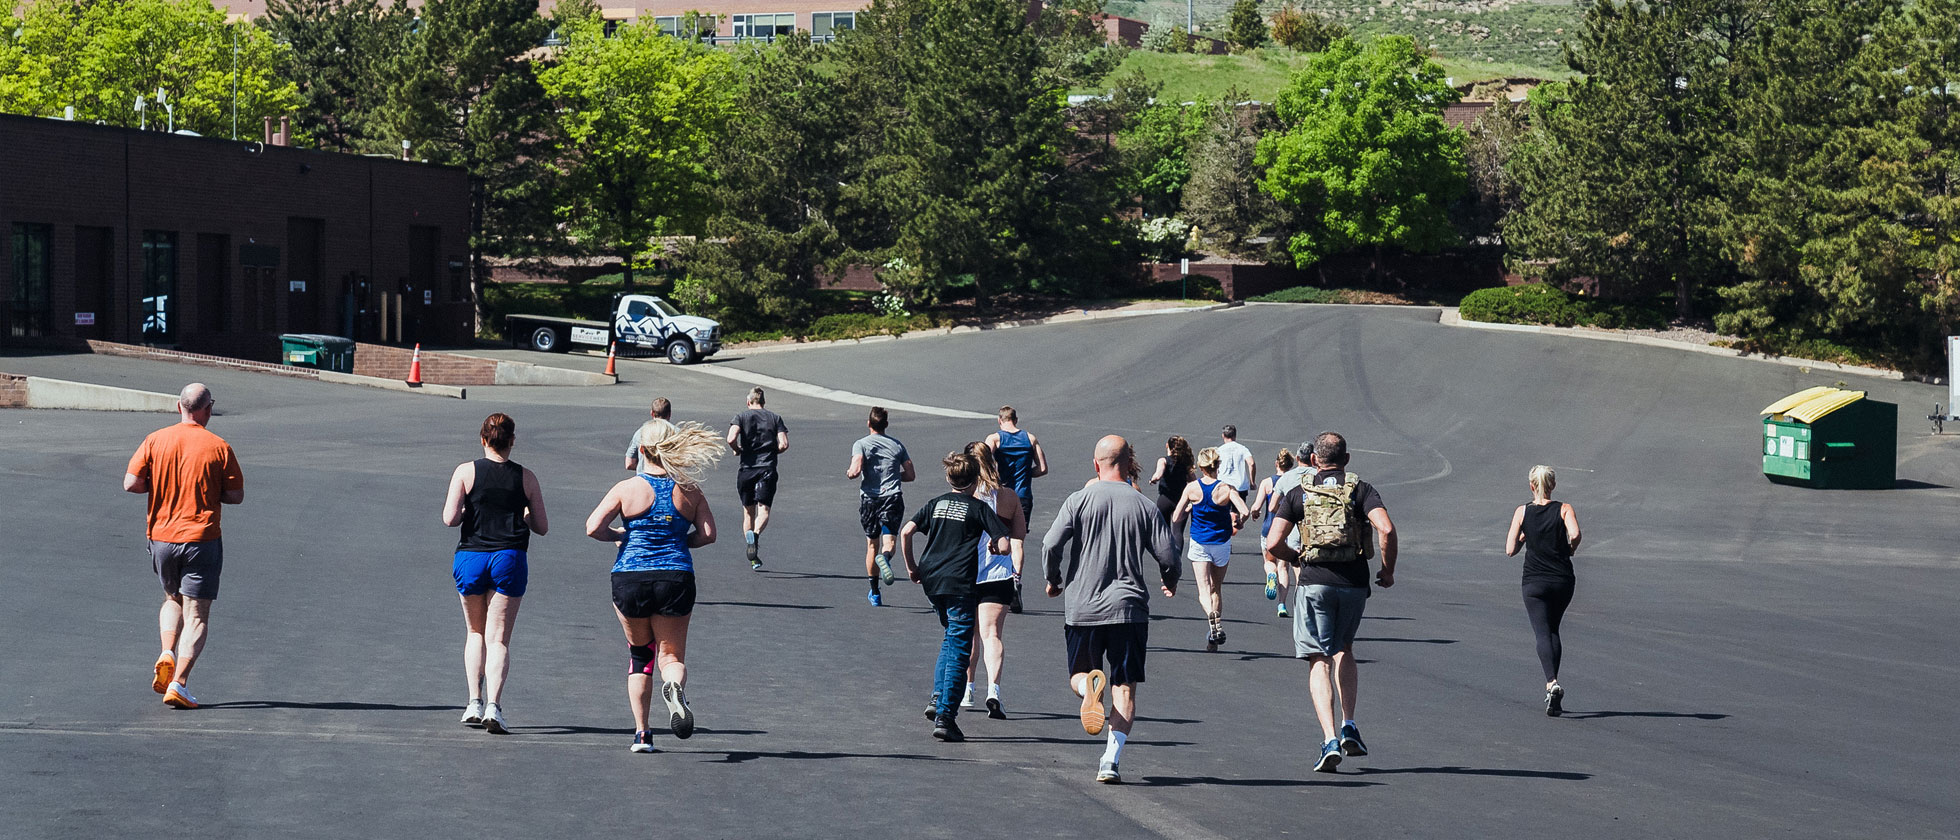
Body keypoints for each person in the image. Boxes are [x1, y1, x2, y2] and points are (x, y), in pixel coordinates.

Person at [1043, 436, 1181, 784]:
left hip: (1083, 606)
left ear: (1096, 464)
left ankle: (1088, 690)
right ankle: (1110, 760)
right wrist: (1170, 579)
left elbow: (1050, 544)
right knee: (1124, 687)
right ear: (1127, 463)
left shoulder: (1079, 500)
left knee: (1079, 674)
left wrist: (1053, 578)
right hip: (1128, 608)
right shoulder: (1144, 505)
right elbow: (1168, 556)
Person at [586, 420, 722, 753]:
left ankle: (642, 734)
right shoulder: (689, 490)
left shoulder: (626, 488)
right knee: (671, 655)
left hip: (630, 577)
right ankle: (674, 686)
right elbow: (708, 534)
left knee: (640, 656)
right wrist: (677, 541)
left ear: (643, 451)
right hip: (675, 577)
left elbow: (593, 527)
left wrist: (620, 536)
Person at [1265, 432, 1397, 773]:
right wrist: (1387, 570)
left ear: (1313, 461)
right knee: (1345, 649)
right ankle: (1349, 723)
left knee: (1318, 658)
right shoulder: (1361, 489)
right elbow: (1386, 529)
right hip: (1353, 584)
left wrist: (1297, 557)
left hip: (1313, 582)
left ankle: (1328, 739)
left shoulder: (1300, 492)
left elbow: (1273, 541)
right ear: (1347, 459)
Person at [123, 383, 244, 711]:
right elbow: (235, 495)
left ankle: (166, 651)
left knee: (172, 598)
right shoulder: (219, 447)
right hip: (201, 539)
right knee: (197, 614)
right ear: (207, 409)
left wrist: (160, 485)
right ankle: (180, 683)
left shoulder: (155, 439)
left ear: (180, 407)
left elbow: (131, 482)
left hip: (162, 538)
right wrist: (208, 491)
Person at [441, 413, 549, 734]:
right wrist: (525, 513)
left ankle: (473, 702)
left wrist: (467, 509)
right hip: (509, 557)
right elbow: (541, 526)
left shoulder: (465, 471)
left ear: (483, 439)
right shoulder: (526, 478)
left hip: (471, 556)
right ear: (512, 441)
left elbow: (450, 518)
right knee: (498, 638)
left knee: (475, 633)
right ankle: (494, 707)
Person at [899, 452, 1013, 743]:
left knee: (950, 638)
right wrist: (997, 550)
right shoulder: (977, 507)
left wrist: (912, 567)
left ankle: (938, 697)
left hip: (932, 580)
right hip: (960, 583)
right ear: (975, 481)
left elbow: (907, 531)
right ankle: (946, 716)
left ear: (949, 478)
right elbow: (1004, 543)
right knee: (961, 650)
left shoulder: (936, 504)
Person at [1505, 465, 1583, 717]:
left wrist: (1525, 537)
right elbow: (1575, 533)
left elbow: (1509, 549)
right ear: (1553, 485)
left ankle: (1551, 683)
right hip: (1562, 579)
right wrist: (1570, 549)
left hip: (1534, 582)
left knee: (1541, 632)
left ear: (1531, 486)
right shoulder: (1564, 509)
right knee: (1553, 629)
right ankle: (1553, 685)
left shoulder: (1522, 512)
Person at [961, 441, 1027, 718]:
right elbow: (1018, 541)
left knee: (969, 635)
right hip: (998, 574)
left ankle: (967, 689)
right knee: (992, 635)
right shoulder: (1009, 497)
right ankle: (993, 691)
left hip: (967, 572)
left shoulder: (964, 496)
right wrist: (1017, 576)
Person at [1171, 447, 1250, 651]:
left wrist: (1191, 507)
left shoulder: (1191, 488)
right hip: (1221, 542)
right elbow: (1245, 510)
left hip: (1199, 542)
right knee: (1216, 588)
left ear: (1200, 466)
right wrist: (1239, 522)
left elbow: (1175, 517)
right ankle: (1213, 639)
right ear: (1218, 465)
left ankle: (1211, 616)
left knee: (1203, 589)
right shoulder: (1226, 488)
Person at [847, 407, 915, 606]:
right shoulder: (897, 446)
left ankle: (875, 592)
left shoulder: (860, 444)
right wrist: (894, 477)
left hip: (870, 499)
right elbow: (910, 474)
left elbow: (856, 466)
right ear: (886, 425)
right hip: (892, 498)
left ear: (869, 424)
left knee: (871, 545)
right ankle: (885, 557)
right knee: (889, 543)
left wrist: (851, 473)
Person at [985, 406, 1047, 613]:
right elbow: (1043, 468)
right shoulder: (1030, 438)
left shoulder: (995, 439)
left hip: (1000, 495)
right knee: (1017, 541)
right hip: (1023, 496)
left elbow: (982, 460)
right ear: (1016, 419)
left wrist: (996, 476)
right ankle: (1015, 579)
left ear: (999, 420)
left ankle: (993, 582)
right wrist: (1027, 475)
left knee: (994, 538)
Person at [726, 387, 789, 570]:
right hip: (767, 468)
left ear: (748, 402)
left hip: (747, 469)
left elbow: (730, 438)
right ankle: (755, 534)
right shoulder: (775, 418)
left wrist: (738, 450)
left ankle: (751, 552)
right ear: (764, 402)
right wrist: (772, 451)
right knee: (764, 510)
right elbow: (784, 443)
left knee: (748, 511)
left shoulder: (741, 417)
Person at [1248, 449, 1306, 618]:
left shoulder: (1267, 483)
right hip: (1288, 530)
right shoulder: (1294, 482)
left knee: (1269, 561)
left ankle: (1270, 574)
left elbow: (1257, 506)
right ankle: (1281, 604)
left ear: (1276, 464)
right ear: (1291, 464)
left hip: (1269, 528)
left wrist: (1254, 513)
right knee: (1284, 567)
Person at [1147, 436, 1194, 544]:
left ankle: (1167, 557)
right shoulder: (1185, 463)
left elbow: (1159, 472)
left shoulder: (1163, 460)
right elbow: (1193, 480)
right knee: (1177, 532)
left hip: (1165, 499)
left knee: (1164, 531)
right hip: (1181, 500)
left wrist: (1154, 478)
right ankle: (1177, 557)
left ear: (1167, 446)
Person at [624, 397, 674, 473]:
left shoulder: (641, 432)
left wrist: (642, 466)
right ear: (669, 414)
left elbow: (629, 463)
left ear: (652, 413)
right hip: (670, 481)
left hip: (644, 481)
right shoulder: (677, 434)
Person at [1215, 425, 1256, 509]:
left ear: (1223, 435)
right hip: (1240, 485)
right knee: (1238, 511)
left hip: (1224, 484)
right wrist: (1252, 482)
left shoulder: (1219, 450)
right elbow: (1251, 463)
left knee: (1223, 511)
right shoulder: (1242, 449)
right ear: (1235, 435)